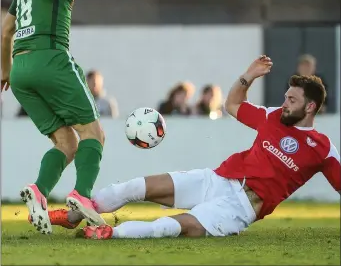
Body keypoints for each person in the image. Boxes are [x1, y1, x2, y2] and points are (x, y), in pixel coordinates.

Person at [38, 56, 340, 239]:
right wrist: (248, 75)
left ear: (310, 107)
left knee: (169, 228)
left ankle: (110, 233)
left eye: (292, 100)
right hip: (217, 179)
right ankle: (74, 215)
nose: (285, 103)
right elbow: (233, 104)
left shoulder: (322, 149)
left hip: (241, 206)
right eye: (286, 97)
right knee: (132, 187)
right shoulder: (274, 117)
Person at [1, 0, 117, 235]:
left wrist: (5, 71)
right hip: (50, 58)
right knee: (94, 133)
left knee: (67, 143)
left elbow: (4, 31)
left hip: (20, 70)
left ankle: (39, 191)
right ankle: (81, 196)